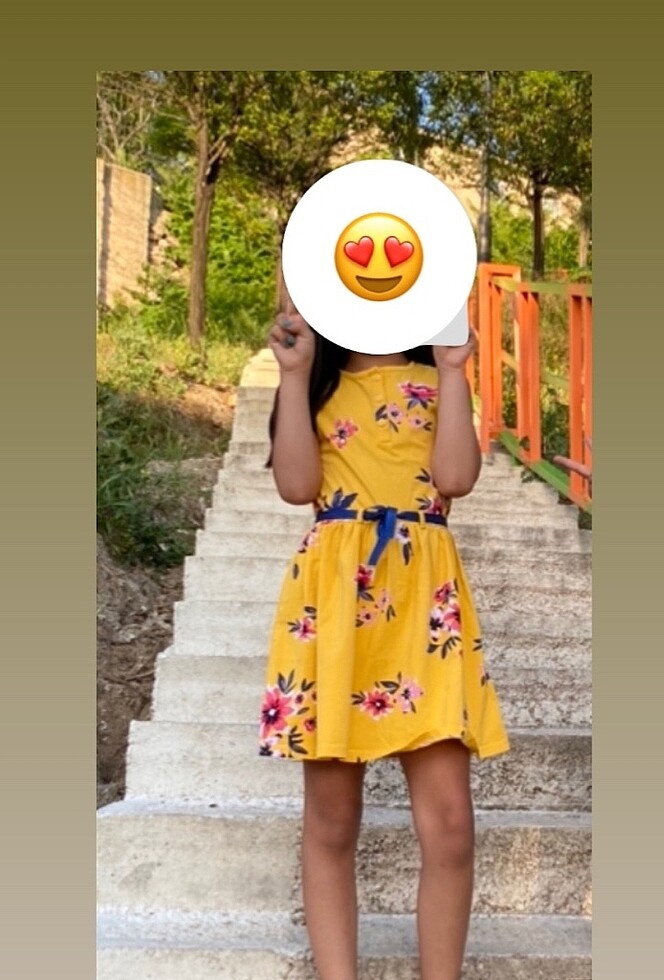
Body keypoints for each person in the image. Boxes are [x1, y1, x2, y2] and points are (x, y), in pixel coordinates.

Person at [258, 310, 511, 980]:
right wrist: (293, 375)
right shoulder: (316, 384)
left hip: (425, 608)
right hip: (336, 603)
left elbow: (455, 478)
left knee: (451, 824)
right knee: (332, 821)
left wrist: (453, 370)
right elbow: (296, 487)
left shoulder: (436, 378)